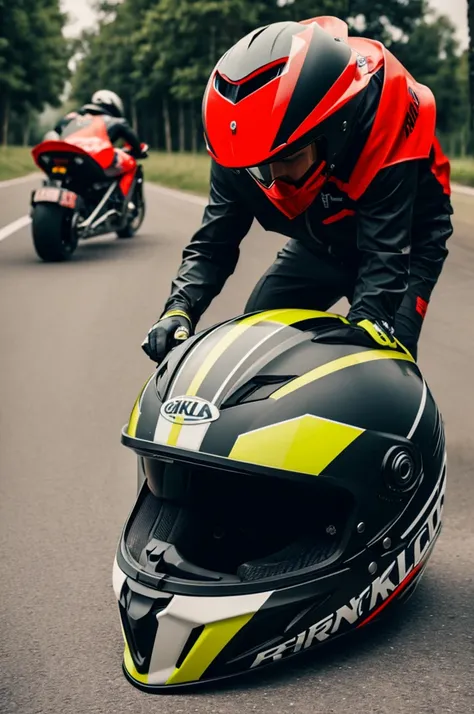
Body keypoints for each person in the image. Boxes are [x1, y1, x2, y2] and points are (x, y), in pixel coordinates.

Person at [141, 16, 453, 364]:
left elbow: (386, 253)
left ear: (333, 131)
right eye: (260, 166)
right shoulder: (240, 145)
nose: (275, 179)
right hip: (321, 241)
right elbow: (214, 243)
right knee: (253, 351)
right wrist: (179, 308)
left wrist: (370, 322)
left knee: (384, 367)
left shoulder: (383, 114)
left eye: (289, 158)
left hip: (404, 244)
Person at [52, 89, 144, 158]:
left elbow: (56, 130)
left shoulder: (74, 117)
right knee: (129, 165)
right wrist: (138, 151)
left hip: (68, 156)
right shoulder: (115, 121)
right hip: (93, 161)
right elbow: (134, 142)